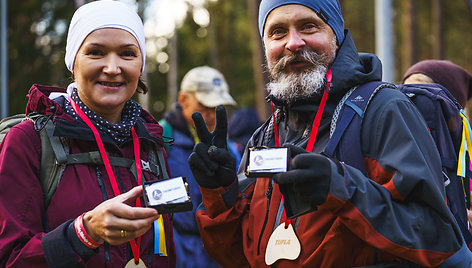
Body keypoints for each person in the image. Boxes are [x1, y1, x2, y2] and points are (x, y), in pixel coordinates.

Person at [187, 0, 472, 267]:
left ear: (335, 34)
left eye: (308, 26)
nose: (293, 43)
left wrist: (341, 188)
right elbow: (238, 256)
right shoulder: (265, 134)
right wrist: (220, 193)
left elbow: (437, 239)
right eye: (277, 32)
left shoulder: (382, 110)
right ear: (266, 46)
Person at [0, 1, 175, 267]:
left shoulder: (151, 144)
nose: (113, 68)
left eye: (127, 54)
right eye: (96, 52)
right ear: (73, 62)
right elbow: (9, 258)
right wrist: (83, 233)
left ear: (140, 66)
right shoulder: (29, 141)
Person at [159, 66, 239, 268]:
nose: (212, 115)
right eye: (204, 105)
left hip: (217, 251)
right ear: (183, 99)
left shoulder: (227, 149)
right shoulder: (159, 140)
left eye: (217, 106)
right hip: (175, 250)